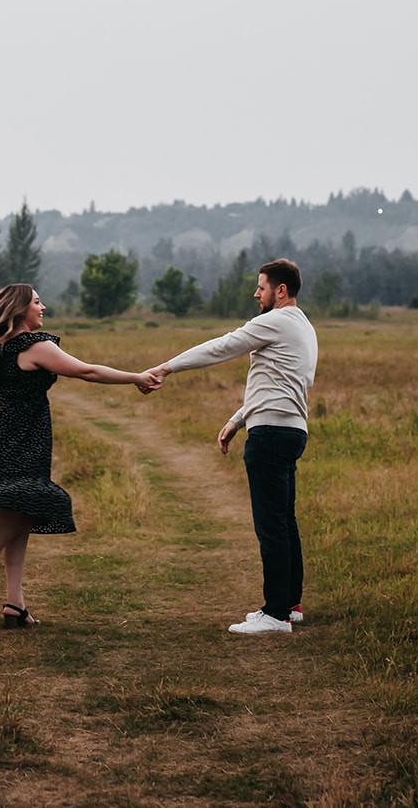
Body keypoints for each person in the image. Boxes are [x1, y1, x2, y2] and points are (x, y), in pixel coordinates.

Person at [0, 283, 161, 628]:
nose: (43, 307)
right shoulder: (34, 346)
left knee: (22, 514)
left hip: (5, 434)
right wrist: (136, 376)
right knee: (12, 520)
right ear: (20, 310)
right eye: (37, 302)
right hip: (20, 438)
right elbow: (86, 371)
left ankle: (15, 604)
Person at [144, 259, 318, 635]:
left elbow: (222, 347)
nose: (256, 293)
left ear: (280, 290)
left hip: (270, 434)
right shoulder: (303, 326)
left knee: (271, 526)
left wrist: (166, 368)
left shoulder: (274, 321)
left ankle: (274, 615)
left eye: (261, 286)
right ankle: (291, 604)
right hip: (291, 430)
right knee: (285, 523)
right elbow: (278, 383)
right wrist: (238, 420)